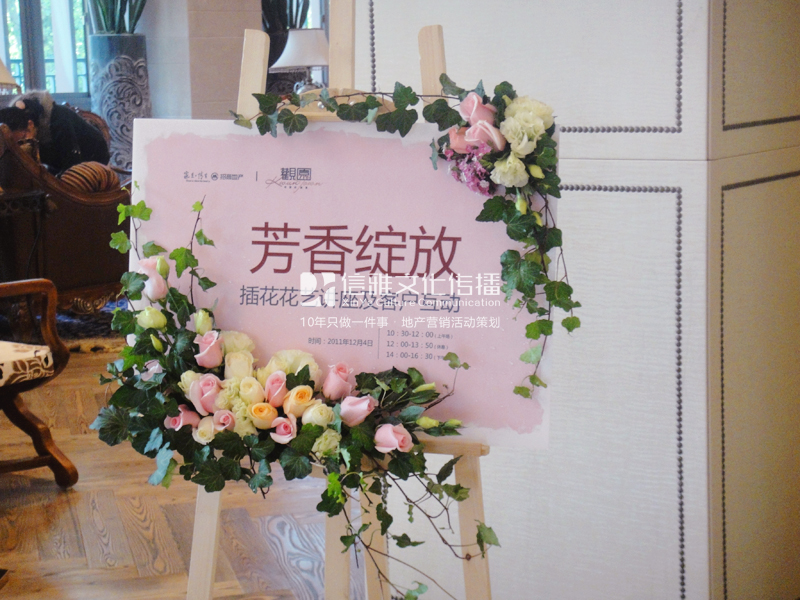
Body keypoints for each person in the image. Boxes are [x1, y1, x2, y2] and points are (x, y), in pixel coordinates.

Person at [0, 90, 110, 174]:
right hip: (63, 166)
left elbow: (72, 165)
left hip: (93, 162)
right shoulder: (32, 130)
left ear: (30, 125)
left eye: (23, 138)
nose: (22, 145)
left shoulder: (59, 119)